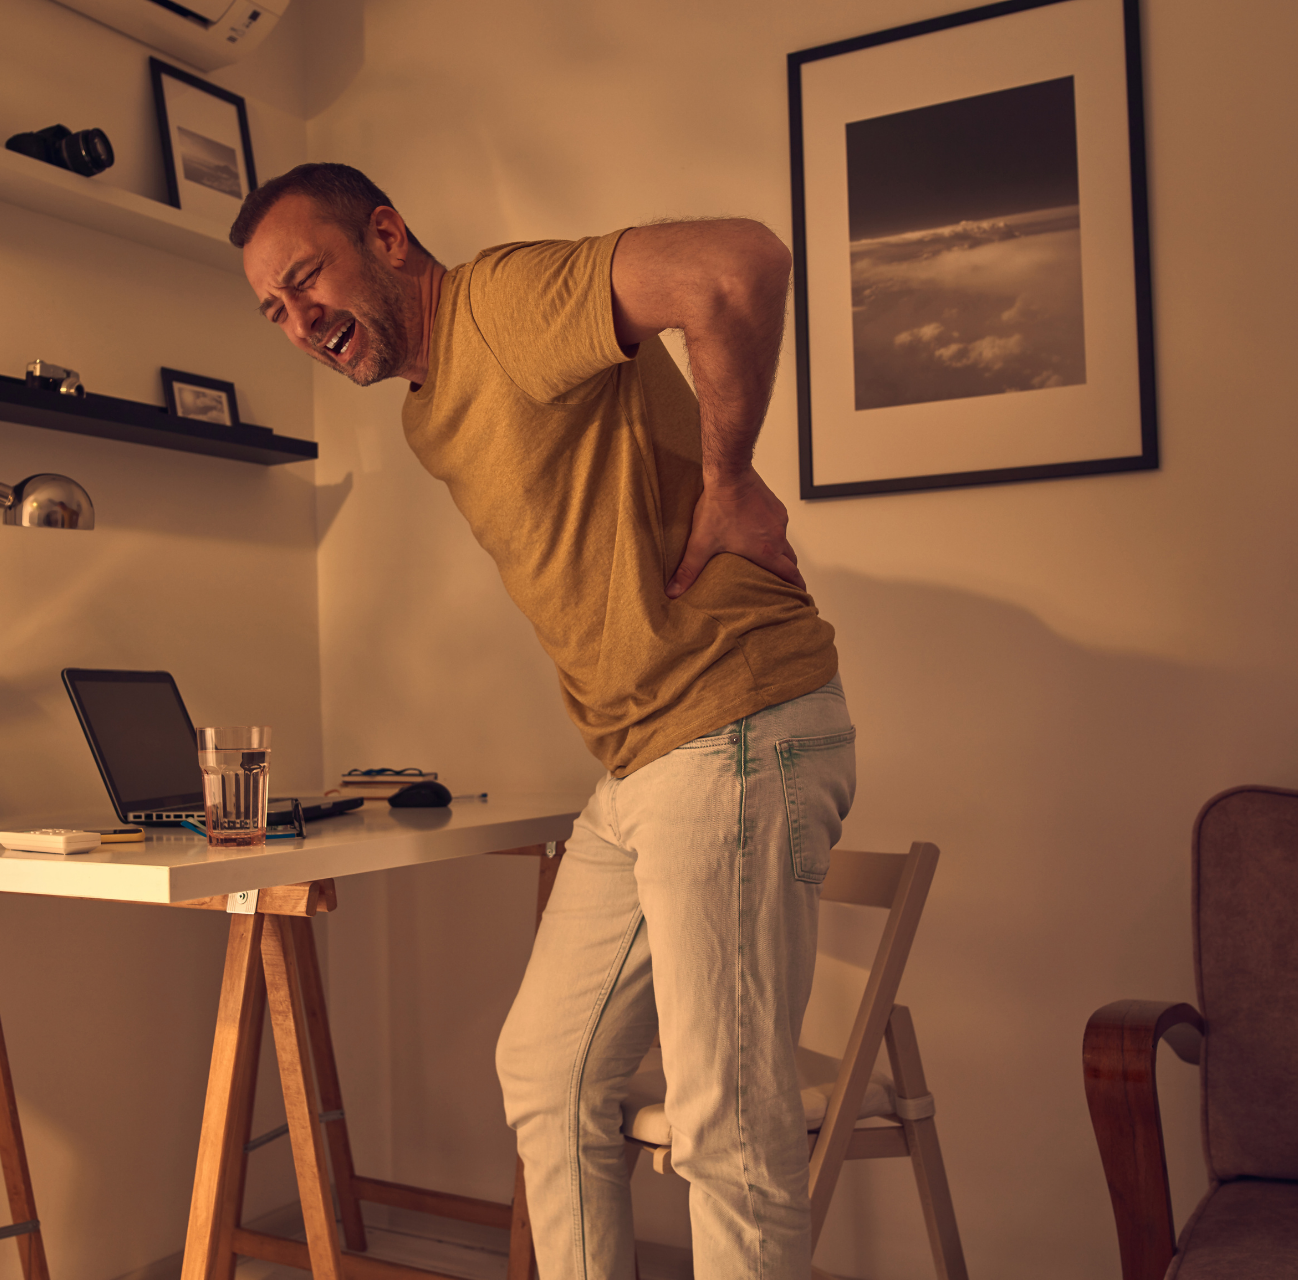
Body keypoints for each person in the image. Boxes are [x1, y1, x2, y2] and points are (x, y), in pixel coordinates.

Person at [231, 163, 855, 1280]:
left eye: (307, 276)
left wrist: (729, 476)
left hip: (732, 718)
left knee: (725, 1122)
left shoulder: (503, 304)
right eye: (274, 308)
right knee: (547, 1065)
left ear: (387, 232)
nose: (299, 319)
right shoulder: (433, 408)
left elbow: (736, 265)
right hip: (646, 759)